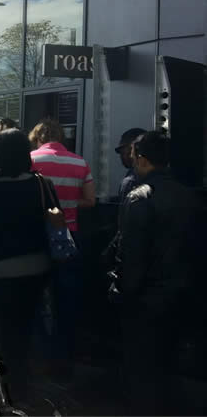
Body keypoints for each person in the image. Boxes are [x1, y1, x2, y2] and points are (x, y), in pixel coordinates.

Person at [110, 132, 201, 414]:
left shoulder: (139, 198)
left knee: (140, 365)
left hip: (145, 297)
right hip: (180, 291)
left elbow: (132, 254)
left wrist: (123, 292)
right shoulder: (189, 196)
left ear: (143, 159)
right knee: (166, 358)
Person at [0, 128, 55, 406]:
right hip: (38, 267)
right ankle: (30, 382)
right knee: (29, 324)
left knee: (4, 329)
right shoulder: (42, 184)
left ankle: (11, 392)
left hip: (0, 272)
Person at [29, 118, 94, 378]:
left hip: (36, 237)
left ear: (38, 137)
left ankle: (40, 352)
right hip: (69, 237)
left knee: (34, 295)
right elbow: (90, 200)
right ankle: (63, 353)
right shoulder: (80, 162)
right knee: (65, 298)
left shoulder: (31, 160)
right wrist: (67, 206)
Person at [115, 127, 147, 204]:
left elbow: (125, 214)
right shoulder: (168, 177)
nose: (121, 156)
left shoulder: (130, 182)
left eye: (122, 151)